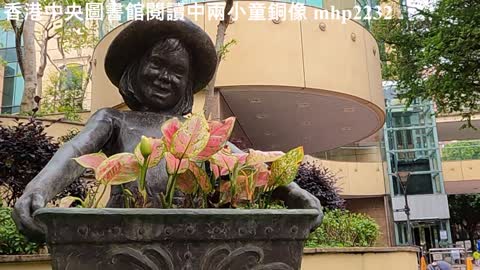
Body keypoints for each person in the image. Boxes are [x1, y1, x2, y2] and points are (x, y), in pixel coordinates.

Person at [13, 17, 322, 241]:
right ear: (136, 67)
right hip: (124, 234)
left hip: (194, 235)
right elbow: (74, 151)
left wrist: (292, 192)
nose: (164, 77)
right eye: (157, 63)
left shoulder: (196, 131)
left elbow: (244, 163)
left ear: (187, 84)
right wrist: (37, 190)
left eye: (177, 72)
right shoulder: (114, 120)